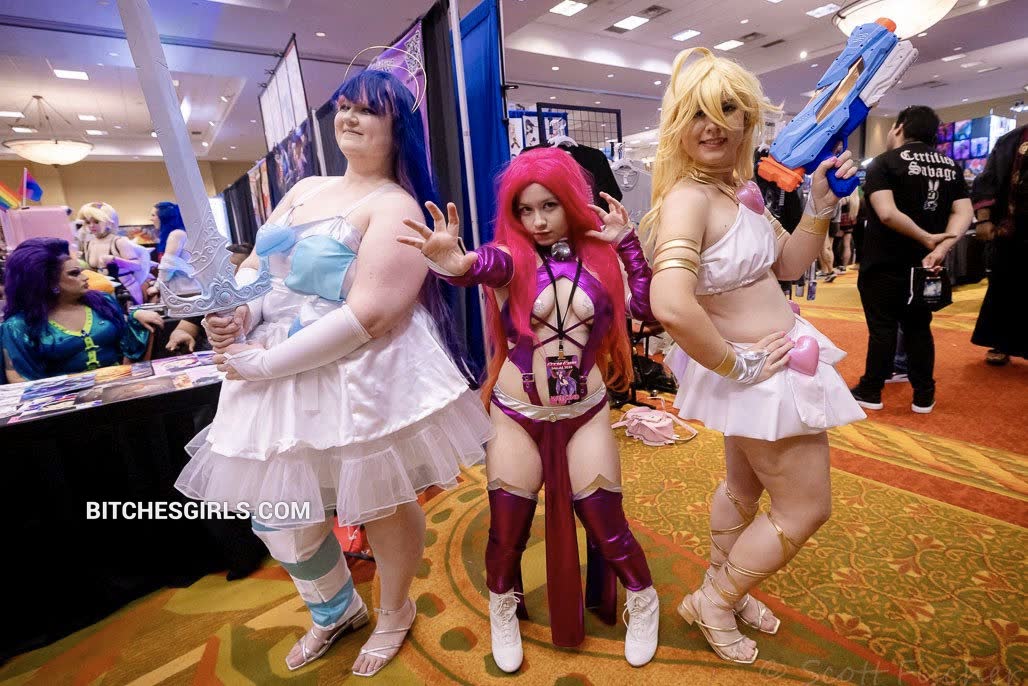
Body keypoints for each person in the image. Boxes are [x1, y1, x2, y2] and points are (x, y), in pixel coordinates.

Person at [176, 69, 492, 678]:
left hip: (355, 377)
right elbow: (261, 272)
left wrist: (263, 363)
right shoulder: (303, 188)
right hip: (270, 378)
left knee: (380, 502)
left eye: (367, 110)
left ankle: (395, 610)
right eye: (344, 106)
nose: (348, 118)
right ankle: (335, 609)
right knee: (280, 514)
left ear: (397, 127)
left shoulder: (396, 206)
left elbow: (371, 314)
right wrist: (239, 315)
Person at [639, 47, 865, 664]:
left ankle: (722, 589)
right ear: (678, 124)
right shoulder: (689, 198)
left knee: (742, 487)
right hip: (760, 373)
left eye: (727, 109)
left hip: (768, 368)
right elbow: (671, 304)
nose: (714, 124)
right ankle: (715, 600)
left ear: (746, 119)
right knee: (806, 506)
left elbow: (785, 266)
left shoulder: (736, 189)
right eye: (698, 112)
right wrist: (735, 365)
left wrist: (819, 205)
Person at [399, 147, 660, 671]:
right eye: (525, 209)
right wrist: (454, 264)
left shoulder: (602, 254)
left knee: (606, 520)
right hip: (518, 414)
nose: (537, 221)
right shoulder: (511, 257)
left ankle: (644, 599)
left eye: (549, 206)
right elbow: (478, 267)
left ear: (570, 202)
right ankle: (502, 604)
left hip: (585, 411)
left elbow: (647, 310)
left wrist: (629, 247)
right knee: (507, 527)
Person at [849, 106, 974, 413]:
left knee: (883, 328)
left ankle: (871, 390)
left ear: (900, 127)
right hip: (926, 265)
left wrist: (925, 237)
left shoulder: (884, 163)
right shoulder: (951, 165)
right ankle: (924, 395)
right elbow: (964, 212)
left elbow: (887, 213)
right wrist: (940, 246)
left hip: (884, 262)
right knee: (919, 327)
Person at [1, 237, 163, 382]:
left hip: (119, 391)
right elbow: (19, 379)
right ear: (48, 282)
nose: (85, 277)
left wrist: (135, 317)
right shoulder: (18, 325)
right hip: (61, 402)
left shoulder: (102, 301)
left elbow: (126, 349)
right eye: (74, 273)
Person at [970, 124, 1027, 366]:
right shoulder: (1011, 140)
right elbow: (988, 180)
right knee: (1004, 286)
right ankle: (1001, 343)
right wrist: (984, 220)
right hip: (1011, 230)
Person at [76, 201, 152, 304]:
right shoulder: (88, 243)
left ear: (108, 222)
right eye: (88, 222)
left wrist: (115, 260)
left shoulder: (119, 241)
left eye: (96, 222)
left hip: (126, 292)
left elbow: (137, 266)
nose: (91, 225)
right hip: (103, 292)